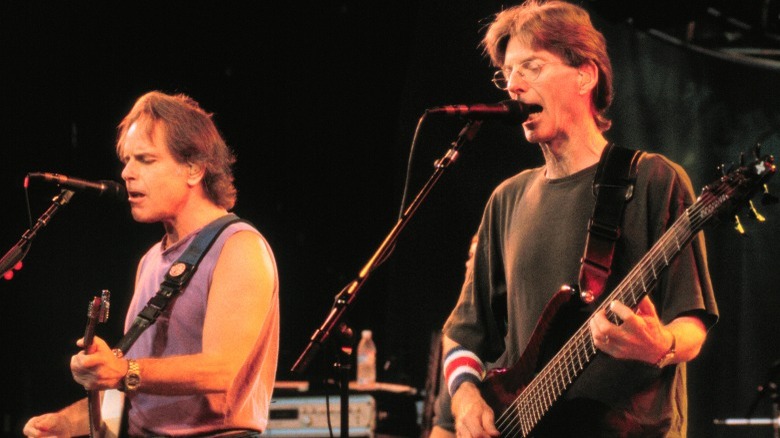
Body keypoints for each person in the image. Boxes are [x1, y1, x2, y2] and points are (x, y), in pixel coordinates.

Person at [441, 1, 718, 437]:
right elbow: (463, 334)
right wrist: (465, 398)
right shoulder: (506, 199)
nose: (512, 85)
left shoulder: (652, 179)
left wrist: (659, 345)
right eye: (507, 73)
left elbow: (692, 324)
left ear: (586, 74)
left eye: (530, 67)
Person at [23, 91, 280, 437]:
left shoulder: (238, 247)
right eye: (127, 160)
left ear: (193, 168)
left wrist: (123, 369)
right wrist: (67, 423)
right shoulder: (150, 261)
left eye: (145, 159)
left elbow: (221, 372)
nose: (127, 172)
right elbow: (141, 391)